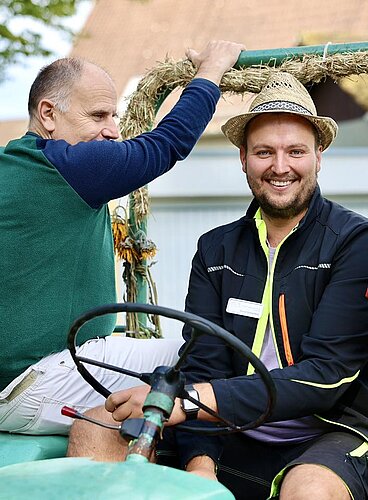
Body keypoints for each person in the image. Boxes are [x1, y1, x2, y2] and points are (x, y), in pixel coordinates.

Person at [100, 72, 368, 499]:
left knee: (310, 490)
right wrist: (201, 468)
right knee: (96, 428)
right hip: (229, 426)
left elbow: (323, 379)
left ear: (319, 157)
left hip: (337, 430)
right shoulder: (216, 250)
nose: (280, 166)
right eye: (265, 152)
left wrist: (188, 401)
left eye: (295, 151)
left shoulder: (359, 243)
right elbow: (203, 367)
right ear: (243, 158)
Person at [0, 40, 245, 447]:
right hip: (36, 381)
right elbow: (165, 145)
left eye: (114, 114)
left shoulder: (15, 166)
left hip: (26, 376)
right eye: (98, 115)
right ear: (48, 114)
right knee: (218, 356)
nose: (112, 129)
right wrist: (212, 71)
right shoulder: (64, 167)